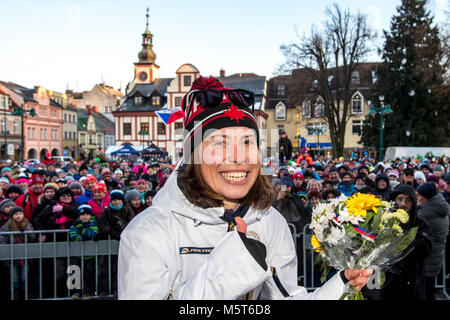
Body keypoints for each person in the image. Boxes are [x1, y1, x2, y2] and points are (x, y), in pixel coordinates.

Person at [118, 76, 372, 299]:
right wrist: (227, 270)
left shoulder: (270, 222)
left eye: (248, 142)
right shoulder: (147, 232)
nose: (238, 157)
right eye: (220, 142)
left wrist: (338, 289)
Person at [362, 184, 432, 300]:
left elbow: (427, 248)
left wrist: (405, 240)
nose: (403, 204)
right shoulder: (384, 221)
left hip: (411, 281)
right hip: (388, 282)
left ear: (413, 203)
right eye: (400, 199)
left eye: (408, 200)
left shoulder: (421, 223)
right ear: (394, 200)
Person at [416, 182, 450, 300]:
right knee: (428, 290)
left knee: (424, 292)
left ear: (426, 197)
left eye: (419, 195)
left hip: (427, 260)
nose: (417, 198)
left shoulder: (425, 213)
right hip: (435, 257)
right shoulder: (439, 206)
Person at [98, 190, 134, 297]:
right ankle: (103, 289)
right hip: (110, 240)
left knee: (120, 267)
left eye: (118, 200)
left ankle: (117, 289)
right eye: (114, 200)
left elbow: (132, 222)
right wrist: (109, 231)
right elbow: (101, 223)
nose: (116, 202)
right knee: (106, 266)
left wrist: (123, 230)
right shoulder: (108, 210)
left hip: (124, 241)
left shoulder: (127, 209)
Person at [0, 206, 36, 300]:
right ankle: (15, 295)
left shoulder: (28, 225)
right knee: (14, 278)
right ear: (12, 216)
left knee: (24, 277)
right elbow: (3, 240)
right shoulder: (7, 227)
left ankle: (24, 295)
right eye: (16, 214)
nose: (18, 216)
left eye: (20, 214)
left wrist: (27, 231)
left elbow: (33, 237)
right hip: (12, 258)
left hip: (25, 257)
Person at [69, 204, 98, 300]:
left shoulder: (93, 222)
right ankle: (76, 291)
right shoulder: (75, 223)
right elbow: (73, 235)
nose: (85, 216)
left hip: (90, 253)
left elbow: (91, 234)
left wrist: (81, 229)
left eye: (87, 214)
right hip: (78, 253)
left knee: (89, 274)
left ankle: (88, 291)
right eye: (82, 215)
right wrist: (81, 237)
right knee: (76, 273)